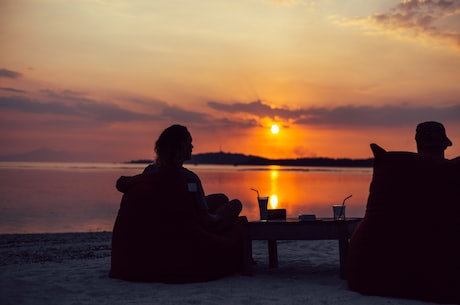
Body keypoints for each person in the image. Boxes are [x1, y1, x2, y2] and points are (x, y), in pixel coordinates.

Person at [141, 124, 243, 233]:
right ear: (182, 146)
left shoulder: (149, 171)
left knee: (221, 198)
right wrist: (219, 216)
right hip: (188, 226)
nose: (192, 147)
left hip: (163, 219)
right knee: (236, 204)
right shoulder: (190, 179)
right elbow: (207, 220)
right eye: (189, 143)